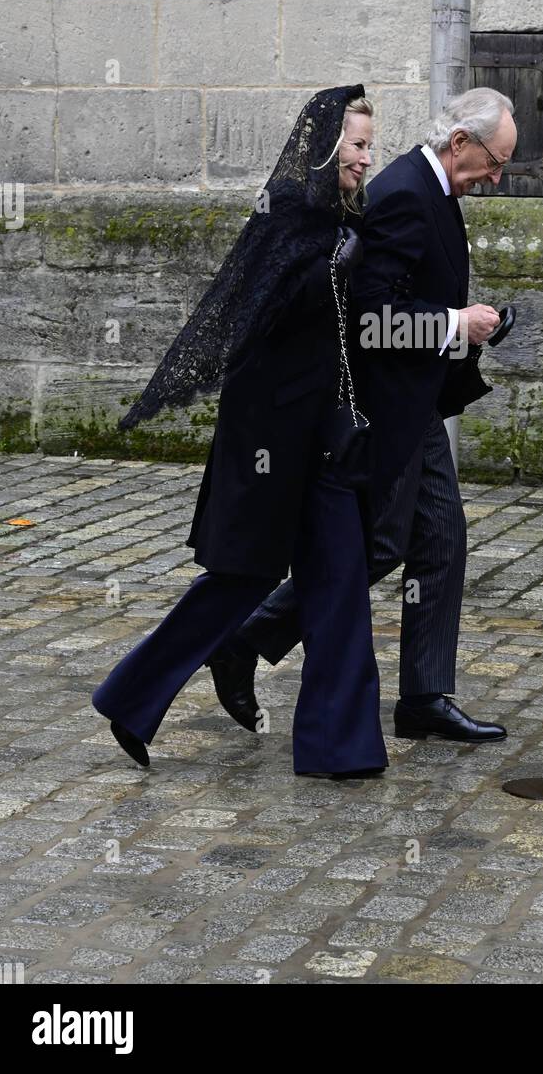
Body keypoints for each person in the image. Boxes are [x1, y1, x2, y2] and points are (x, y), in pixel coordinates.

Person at [92, 85, 388, 779]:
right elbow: (246, 325)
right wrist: (325, 271)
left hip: (326, 439)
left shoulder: (351, 220)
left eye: (372, 146)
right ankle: (131, 697)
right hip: (269, 440)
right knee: (238, 580)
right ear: (322, 148)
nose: (367, 160)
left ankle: (336, 750)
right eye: (358, 145)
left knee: (341, 585)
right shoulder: (285, 219)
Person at [211, 86, 518, 744]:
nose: (497, 176)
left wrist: (461, 327)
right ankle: (243, 637)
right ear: (460, 142)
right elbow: (374, 323)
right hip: (384, 410)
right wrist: (454, 324)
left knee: (439, 540)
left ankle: (425, 698)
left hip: (415, 405)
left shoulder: (435, 190)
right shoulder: (408, 193)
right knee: (378, 547)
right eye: (495, 161)